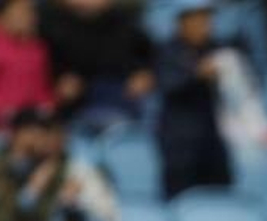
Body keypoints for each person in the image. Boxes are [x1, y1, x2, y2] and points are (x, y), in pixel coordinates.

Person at [39, 0, 155, 131]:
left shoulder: (127, 22)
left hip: (120, 96)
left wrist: (145, 74)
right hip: (71, 104)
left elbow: (150, 57)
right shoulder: (49, 23)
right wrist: (58, 80)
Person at [156, 0, 232, 197]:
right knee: (181, 200)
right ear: (182, 22)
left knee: (218, 198)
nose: (204, 24)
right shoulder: (168, 50)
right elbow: (168, 85)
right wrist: (197, 74)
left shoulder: (216, 48)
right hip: (179, 144)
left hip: (213, 140)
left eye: (207, 18)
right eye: (197, 18)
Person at [0, 0, 55, 129]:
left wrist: (46, 107)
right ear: (1, 17)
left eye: (29, 12)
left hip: (34, 122)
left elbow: (43, 89)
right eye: (19, 12)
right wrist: (5, 112)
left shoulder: (38, 49)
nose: (27, 17)